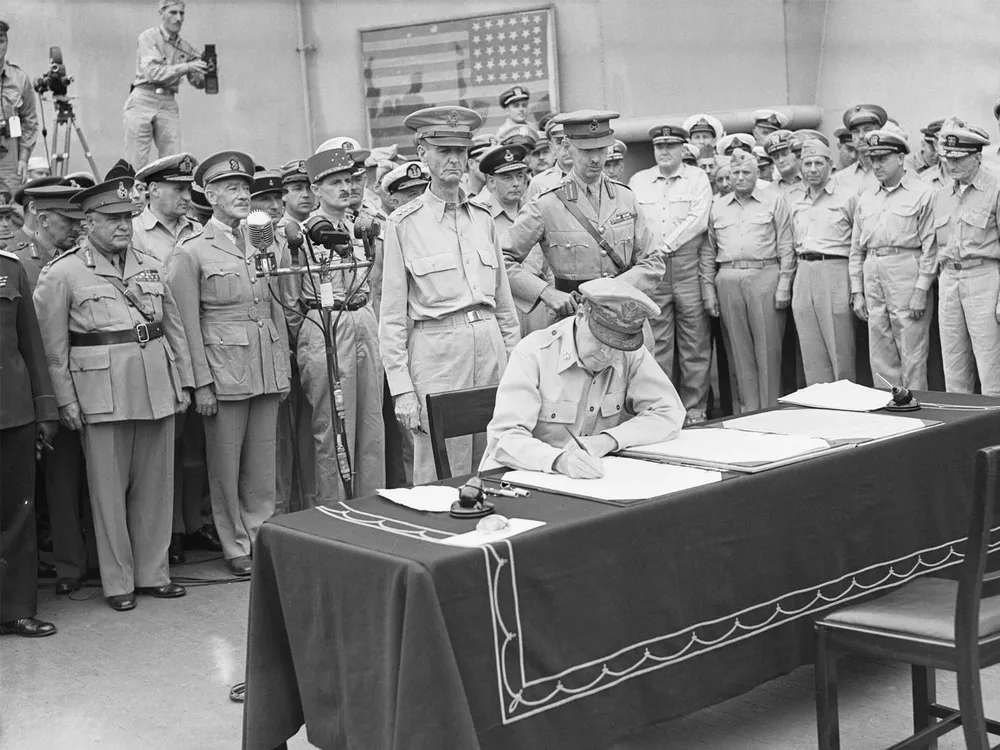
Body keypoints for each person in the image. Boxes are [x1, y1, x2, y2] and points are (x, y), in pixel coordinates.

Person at [34, 174, 194, 611]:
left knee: (156, 488)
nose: (123, 225)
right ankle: (119, 581)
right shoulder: (63, 273)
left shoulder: (148, 264)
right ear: (89, 221)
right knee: (107, 494)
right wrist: (65, 399)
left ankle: (153, 573)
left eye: (127, 216)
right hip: (101, 394)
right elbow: (52, 349)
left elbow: (172, 328)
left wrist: (184, 379)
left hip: (156, 386)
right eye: (112, 218)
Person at [165, 150, 290, 576]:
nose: (243, 195)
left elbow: (275, 305)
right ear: (211, 194)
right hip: (223, 369)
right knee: (225, 463)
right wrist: (199, 383)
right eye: (232, 188)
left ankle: (261, 536)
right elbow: (184, 324)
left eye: (245, 188)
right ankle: (234, 544)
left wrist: (281, 366)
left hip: (263, 364)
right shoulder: (192, 251)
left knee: (262, 460)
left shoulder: (264, 239)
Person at [380, 106, 520, 484]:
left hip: (490, 348)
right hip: (438, 354)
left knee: (495, 459)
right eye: (444, 151)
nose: (454, 160)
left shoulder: (483, 218)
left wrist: (516, 368)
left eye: (461, 152)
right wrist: (402, 391)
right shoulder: (403, 224)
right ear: (422, 152)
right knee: (440, 469)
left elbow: (504, 306)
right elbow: (392, 317)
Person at [480, 277, 684, 476]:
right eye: (600, 339)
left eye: (616, 346)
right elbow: (504, 437)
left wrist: (608, 440)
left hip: (593, 482)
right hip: (527, 479)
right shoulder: (534, 354)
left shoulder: (629, 353)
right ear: (580, 315)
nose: (606, 353)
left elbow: (669, 411)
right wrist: (558, 461)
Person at [502, 110, 662, 323]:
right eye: (586, 150)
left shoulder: (625, 197)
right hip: (573, 321)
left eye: (601, 149)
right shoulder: (547, 204)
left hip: (624, 319)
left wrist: (615, 288)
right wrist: (546, 293)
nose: (596, 159)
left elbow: (653, 261)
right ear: (568, 148)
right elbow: (503, 259)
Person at [293, 147, 386, 502]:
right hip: (325, 323)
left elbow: (375, 283)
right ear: (316, 188)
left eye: (349, 180)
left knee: (371, 424)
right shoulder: (300, 234)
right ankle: (335, 510)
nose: (345, 188)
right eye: (335, 182)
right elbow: (290, 297)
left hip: (363, 316)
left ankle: (373, 505)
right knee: (332, 428)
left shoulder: (363, 228)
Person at [629, 123, 713, 424]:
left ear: (683, 149)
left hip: (688, 265)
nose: (664, 151)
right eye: (659, 146)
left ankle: (695, 408)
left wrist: (665, 245)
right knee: (658, 342)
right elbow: (634, 222)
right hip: (654, 269)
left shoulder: (697, 178)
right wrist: (651, 253)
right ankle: (664, 409)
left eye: (671, 146)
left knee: (695, 342)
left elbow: (698, 219)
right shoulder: (639, 181)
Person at [700, 149, 794, 412]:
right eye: (735, 173)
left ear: (757, 174)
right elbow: (708, 250)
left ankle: (770, 409)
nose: (740, 178)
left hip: (765, 275)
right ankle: (748, 411)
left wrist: (784, 284)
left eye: (746, 173)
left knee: (768, 349)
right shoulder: (717, 206)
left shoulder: (774, 201)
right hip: (727, 278)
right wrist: (708, 290)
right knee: (738, 351)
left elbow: (786, 245)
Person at [849, 130, 937, 390]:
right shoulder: (866, 197)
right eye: (872, 159)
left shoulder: (923, 193)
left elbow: (931, 246)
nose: (876, 165)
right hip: (873, 268)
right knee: (879, 347)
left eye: (883, 159)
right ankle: (889, 406)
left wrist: (922, 288)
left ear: (900, 158)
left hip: (906, 267)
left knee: (912, 349)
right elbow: (857, 248)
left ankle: (917, 409)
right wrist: (857, 290)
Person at [0, 249, 59, 636]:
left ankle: (15, 608)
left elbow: (31, 343)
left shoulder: (8, 267)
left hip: (11, 409)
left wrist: (45, 410)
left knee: (17, 513)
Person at [932, 121, 1000, 396]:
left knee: (990, 364)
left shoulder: (995, 189)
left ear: (977, 157)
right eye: (948, 159)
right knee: (954, 363)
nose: (952, 165)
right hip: (949, 278)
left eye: (959, 159)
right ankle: (961, 433)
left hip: (983, 278)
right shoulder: (942, 195)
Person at [790, 139, 858, 384]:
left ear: (830, 165)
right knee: (810, 345)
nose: (812, 168)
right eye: (807, 163)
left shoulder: (848, 198)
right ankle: (820, 402)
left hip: (835, 270)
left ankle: (846, 404)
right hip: (803, 270)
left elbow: (858, 242)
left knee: (839, 343)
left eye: (819, 163)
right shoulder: (795, 200)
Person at [476, 144, 552, 337]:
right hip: (499, 314)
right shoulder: (478, 218)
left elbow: (550, 265)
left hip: (540, 309)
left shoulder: (535, 213)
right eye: (507, 177)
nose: (517, 183)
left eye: (520, 175)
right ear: (491, 182)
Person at [122, 0, 207, 170]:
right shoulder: (147, 39)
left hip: (168, 102)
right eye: (173, 13)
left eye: (182, 13)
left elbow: (197, 82)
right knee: (135, 163)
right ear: (161, 13)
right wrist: (187, 67)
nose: (178, 18)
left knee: (173, 164)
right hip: (142, 99)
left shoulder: (185, 48)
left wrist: (206, 71)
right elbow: (152, 72)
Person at [132, 153, 200, 262]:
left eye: (189, 190)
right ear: (154, 190)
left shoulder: (197, 230)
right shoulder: (132, 232)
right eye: (179, 189)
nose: (188, 197)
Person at [0, 21, 39, 194]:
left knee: (11, 206)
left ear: (6, 44)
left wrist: (23, 158)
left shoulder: (19, 78)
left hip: (9, 151)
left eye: (0, 41)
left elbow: (29, 120)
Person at [831, 104, 888, 196]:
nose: (861, 136)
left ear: (878, 133)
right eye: (856, 132)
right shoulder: (839, 178)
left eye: (867, 130)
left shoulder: (893, 172)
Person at [524, 119, 572, 201]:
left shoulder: (593, 175)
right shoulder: (538, 183)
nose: (566, 147)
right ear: (552, 147)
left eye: (570, 140)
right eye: (559, 142)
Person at [763, 129, 805, 203]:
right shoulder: (768, 191)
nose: (781, 160)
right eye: (775, 157)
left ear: (795, 153)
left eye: (785, 154)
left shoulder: (811, 180)